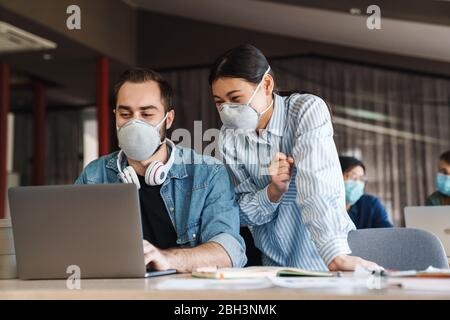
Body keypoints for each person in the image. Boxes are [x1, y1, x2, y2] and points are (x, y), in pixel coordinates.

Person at [210, 44, 379, 271]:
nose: (227, 109)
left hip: (325, 262)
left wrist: (334, 254)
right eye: (220, 102)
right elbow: (237, 210)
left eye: (235, 98)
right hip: (273, 266)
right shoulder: (229, 137)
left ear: (267, 84)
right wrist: (272, 193)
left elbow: (317, 185)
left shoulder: (306, 110)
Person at [75, 68, 247, 272]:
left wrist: (167, 259)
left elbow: (228, 252)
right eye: (125, 114)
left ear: (169, 118)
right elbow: (72, 240)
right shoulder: (95, 174)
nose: (134, 122)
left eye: (147, 114)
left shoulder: (208, 173)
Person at [339, 156, 393, 229]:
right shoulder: (326, 207)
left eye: (361, 179)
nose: (357, 183)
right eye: (352, 177)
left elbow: (389, 233)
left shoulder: (371, 204)